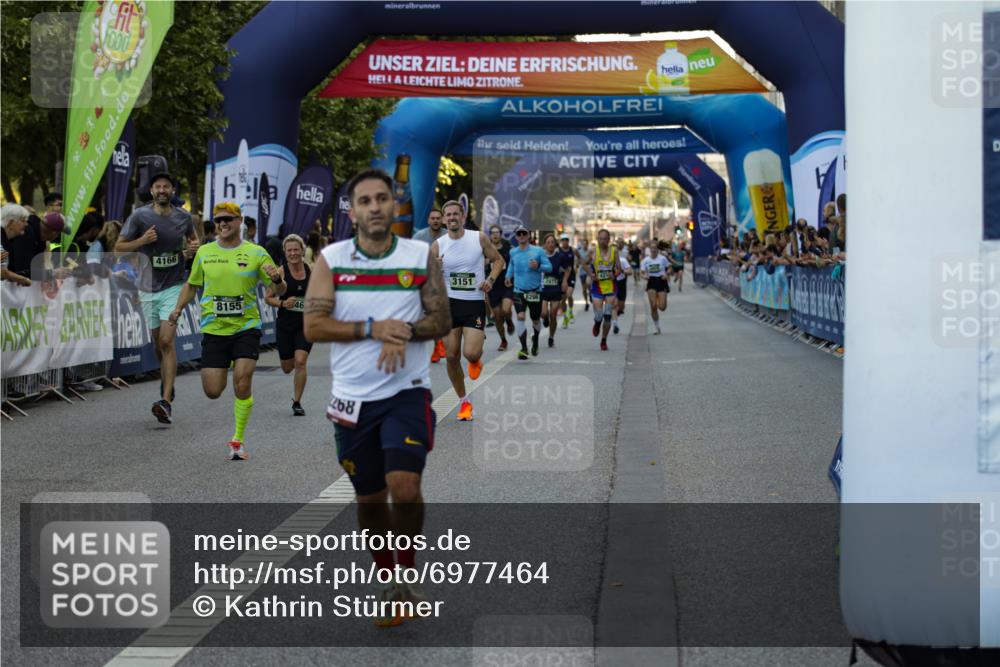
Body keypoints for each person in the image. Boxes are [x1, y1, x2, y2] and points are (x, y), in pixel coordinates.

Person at [302, 168, 451, 626]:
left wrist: (402, 330)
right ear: (352, 211)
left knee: (404, 486)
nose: (374, 207)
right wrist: (372, 328)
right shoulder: (331, 259)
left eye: (382, 198)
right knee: (369, 500)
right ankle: (387, 573)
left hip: (406, 393)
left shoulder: (419, 255)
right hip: (351, 399)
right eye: (364, 201)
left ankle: (403, 578)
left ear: (393, 205)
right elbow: (313, 326)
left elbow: (441, 318)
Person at [167, 201, 283, 460]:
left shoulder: (256, 253)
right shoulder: (205, 252)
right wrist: (178, 309)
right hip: (214, 330)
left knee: (242, 381)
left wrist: (277, 279)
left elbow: (278, 291)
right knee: (213, 390)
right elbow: (192, 284)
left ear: (239, 221)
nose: (222, 224)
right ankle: (230, 378)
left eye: (228, 219)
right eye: (218, 220)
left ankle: (237, 440)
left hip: (246, 328)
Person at [117, 171, 199, 424]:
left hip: (174, 286)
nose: (162, 190)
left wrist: (192, 249)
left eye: (166, 186)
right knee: (156, 344)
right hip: (147, 287)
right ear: (152, 191)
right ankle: (167, 380)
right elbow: (119, 246)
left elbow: (194, 241)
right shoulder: (140, 216)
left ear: (172, 191)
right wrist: (142, 240)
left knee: (166, 341)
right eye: (157, 187)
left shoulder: (183, 217)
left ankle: (165, 401)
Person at [430, 200, 505, 421]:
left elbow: (498, 261)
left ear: (462, 217)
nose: (452, 217)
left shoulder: (478, 238)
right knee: (451, 356)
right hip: (448, 304)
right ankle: (464, 403)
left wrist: (490, 280)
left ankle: (475, 360)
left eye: (456, 214)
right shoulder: (438, 245)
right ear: (444, 220)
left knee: (470, 353)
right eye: (448, 215)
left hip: (473, 303)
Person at [264, 234, 313, 416]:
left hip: (306, 325)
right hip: (285, 324)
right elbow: (268, 298)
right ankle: (288, 364)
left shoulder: (311, 270)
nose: (293, 253)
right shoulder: (281, 272)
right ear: (285, 252)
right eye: (289, 250)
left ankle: (297, 402)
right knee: (287, 367)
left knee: (301, 361)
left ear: (302, 250)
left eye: (296, 249)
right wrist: (283, 303)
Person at [506, 225, 552, 359]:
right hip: (518, 290)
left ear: (528, 236)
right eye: (519, 234)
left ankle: (536, 339)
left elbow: (549, 267)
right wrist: (508, 276)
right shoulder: (513, 252)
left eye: (524, 234)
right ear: (516, 236)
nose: (521, 236)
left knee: (536, 320)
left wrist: (538, 266)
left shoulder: (538, 251)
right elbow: (511, 265)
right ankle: (524, 348)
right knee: (520, 316)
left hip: (535, 291)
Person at [412, 208, 447, 362]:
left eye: (438, 218)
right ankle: (437, 343)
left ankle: (439, 344)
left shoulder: (449, 235)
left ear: (442, 220)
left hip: (447, 280)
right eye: (432, 218)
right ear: (428, 220)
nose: (435, 221)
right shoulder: (420, 236)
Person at [585, 229, 620, 351]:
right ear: (597, 239)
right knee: (599, 315)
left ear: (609, 239)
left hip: (611, 286)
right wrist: (591, 274)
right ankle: (597, 323)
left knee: (608, 315)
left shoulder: (614, 251)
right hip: (597, 287)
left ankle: (604, 340)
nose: (603, 241)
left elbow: (619, 268)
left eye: (605, 238)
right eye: (600, 238)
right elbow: (584, 263)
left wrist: (614, 275)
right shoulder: (593, 251)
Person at [486, 224, 515, 351]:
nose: (495, 235)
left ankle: (509, 320)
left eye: (497, 232)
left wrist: (513, 276)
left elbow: (514, 262)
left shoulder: (508, 246)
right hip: (492, 286)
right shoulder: (485, 249)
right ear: (490, 235)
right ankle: (503, 340)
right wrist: (485, 262)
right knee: (497, 316)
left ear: (501, 234)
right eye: (493, 233)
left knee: (506, 309)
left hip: (506, 283)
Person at [540, 233, 569, 348]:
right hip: (543, 288)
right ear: (545, 245)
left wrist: (565, 281)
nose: (551, 244)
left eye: (552, 242)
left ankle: (551, 337)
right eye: (548, 242)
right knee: (543, 313)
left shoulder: (560, 256)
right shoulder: (541, 256)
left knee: (553, 314)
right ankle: (545, 319)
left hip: (556, 288)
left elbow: (568, 269)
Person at [641, 242, 670, 335]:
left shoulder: (662, 258)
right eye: (652, 248)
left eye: (655, 248)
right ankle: (657, 327)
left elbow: (670, 268)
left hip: (661, 281)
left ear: (658, 249)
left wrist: (666, 274)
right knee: (653, 306)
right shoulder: (645, 260)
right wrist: (644, 276)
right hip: (651, 281)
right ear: (649, 249)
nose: (653, 250)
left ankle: (659, 300)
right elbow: (641, 272)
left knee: (662, 307)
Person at [1, 204, 32, 286]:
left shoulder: (10, 240)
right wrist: (22, 279)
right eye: (23, 221)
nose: (26, 224)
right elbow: (2, 272)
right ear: (11, 223)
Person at [556, 233, 576, 328]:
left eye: (566, 240)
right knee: (563, 299)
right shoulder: (557, 251)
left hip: (571, 276)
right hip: (561, 277)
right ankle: (565, 317)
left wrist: (577, 265)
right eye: (563, 240)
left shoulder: (573, 250)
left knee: (569, 295)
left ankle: (571, 311)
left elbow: (581, 259)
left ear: (568, 241)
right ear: (561, 241)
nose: (565, 241)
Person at [613, 238, 632, 329]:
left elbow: (630, 271)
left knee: (621, 306)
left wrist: (623, 271)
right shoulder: (606, 260)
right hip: (612, 284)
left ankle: (618, 312)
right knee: (614, 305)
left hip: (621, 283)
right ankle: (615, 324)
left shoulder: (623, 260)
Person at [575, 237, 591, 312]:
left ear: (587, 244)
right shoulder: (579, 252)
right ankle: (586, 302)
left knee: (588, 283)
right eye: (583, 244)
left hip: (589, 272)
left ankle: (591, 293)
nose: (584, 245)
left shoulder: (590, 251)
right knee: (584, 289)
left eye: (586, 244)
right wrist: (576, 266)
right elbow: (578, 262)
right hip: (582, 272)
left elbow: (591, 260)